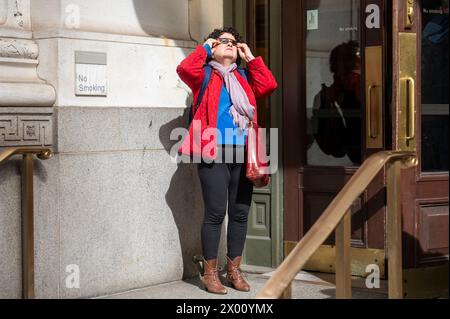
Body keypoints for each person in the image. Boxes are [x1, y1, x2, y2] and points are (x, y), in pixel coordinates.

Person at [176, 27, 277, 294]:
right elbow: (185, 69)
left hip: (244, 151)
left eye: (234, 43)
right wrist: (206, 47)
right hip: (213, 149)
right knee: (215, 212)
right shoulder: (204, 74)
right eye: (224, 42)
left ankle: (233, 270)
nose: (230, 45)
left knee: (240, 213)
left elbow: (268, 85)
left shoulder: (244, 76)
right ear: (212, 46)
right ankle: (210, 273)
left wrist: (251, 57)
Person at [311, 40, 362, 165]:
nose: (350, 79)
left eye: (355, 74)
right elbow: (334, 148)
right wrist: (330, 106)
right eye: (345, 74)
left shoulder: (369, 93)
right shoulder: (327, 97)